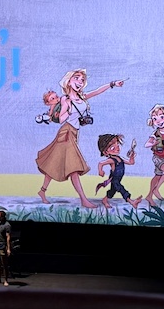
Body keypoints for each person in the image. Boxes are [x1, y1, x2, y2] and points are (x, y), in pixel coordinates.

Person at [36, 69, 125, 208]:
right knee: (74, 168)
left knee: (54, 163)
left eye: (82, 79)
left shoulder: (81, 97)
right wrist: (68, 109)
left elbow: (96, 92)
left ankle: (42, 191)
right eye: (76, 78)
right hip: (66, 134)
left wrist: (112, 84)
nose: (80, 81)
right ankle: (84, 199)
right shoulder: (65, 99)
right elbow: (61, 119)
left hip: (73, 133)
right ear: (68, 81)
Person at [96, 134, 142, 209]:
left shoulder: (119, 158)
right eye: (112, 147)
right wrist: (100, 171)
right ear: (105, 152)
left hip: (119, 178)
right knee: (121, 189)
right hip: (114, 179)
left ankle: (104, 200)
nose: (117, 147)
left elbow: (131, 162)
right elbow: (101, 163)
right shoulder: (111, 160)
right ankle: (132, 202)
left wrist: (132, 157)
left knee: (112, 191)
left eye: (117, 144)